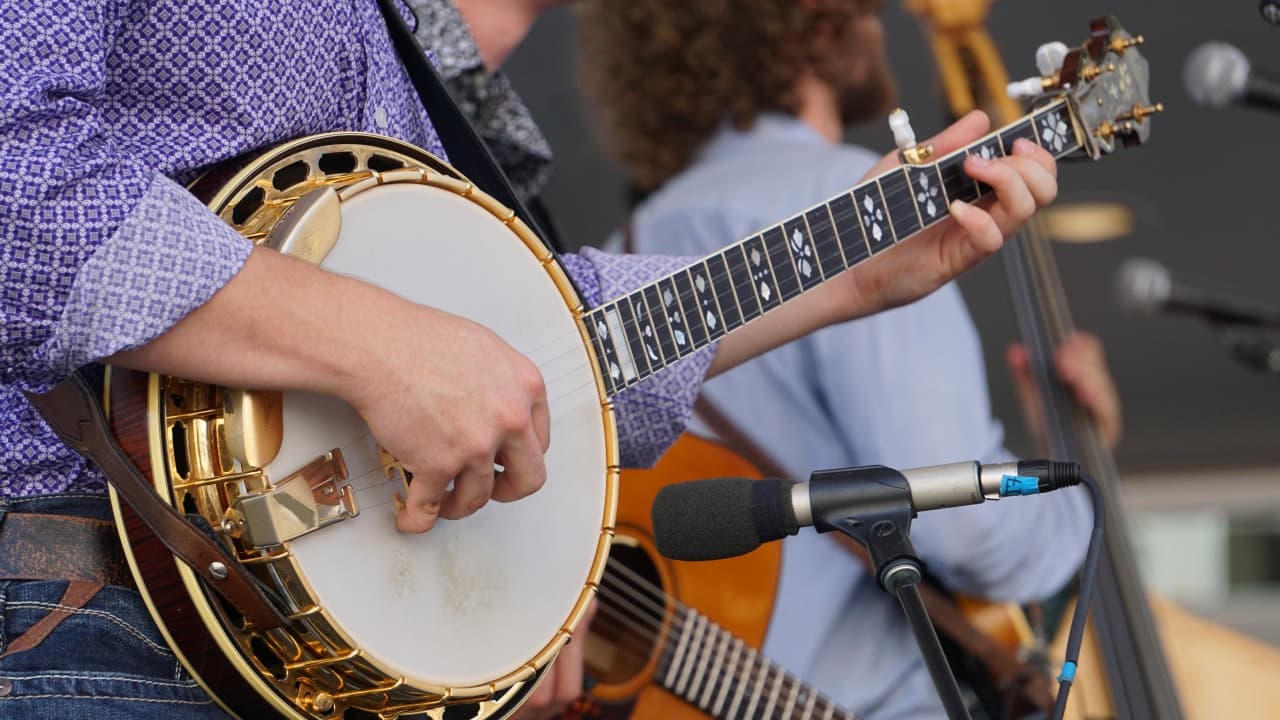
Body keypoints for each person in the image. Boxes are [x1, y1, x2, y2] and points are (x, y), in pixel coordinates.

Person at [0, 0, 1057, 717]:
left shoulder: (407, 60)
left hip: (305, 680)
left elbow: (544, 345)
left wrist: (849, 277)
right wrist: (381, 348)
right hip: (88, 623)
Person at [578, 1, 1112, 717]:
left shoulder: (613, 258)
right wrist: (1077, 484)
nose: (881, 24)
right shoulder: (860, 208)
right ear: (821, 24)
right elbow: (963, 525)